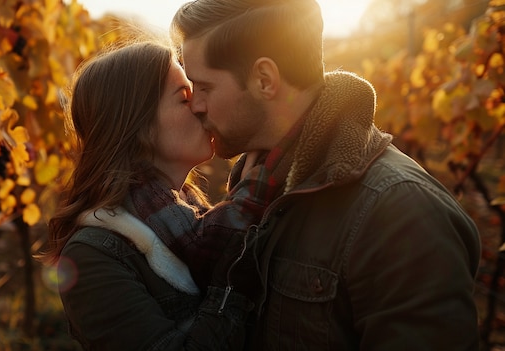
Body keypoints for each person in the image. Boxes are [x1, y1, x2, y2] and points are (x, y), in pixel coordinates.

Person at [169, 0, 482, 349]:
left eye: (206, 87)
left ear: (264, 80)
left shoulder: (401, 213)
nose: (195, 104)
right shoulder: (256, 188)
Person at [43, 39, 284, 350]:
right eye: (184, 98)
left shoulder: (197, 220)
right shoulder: (93, 255)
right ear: (139, 126)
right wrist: (236, 269)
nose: (200, 105)